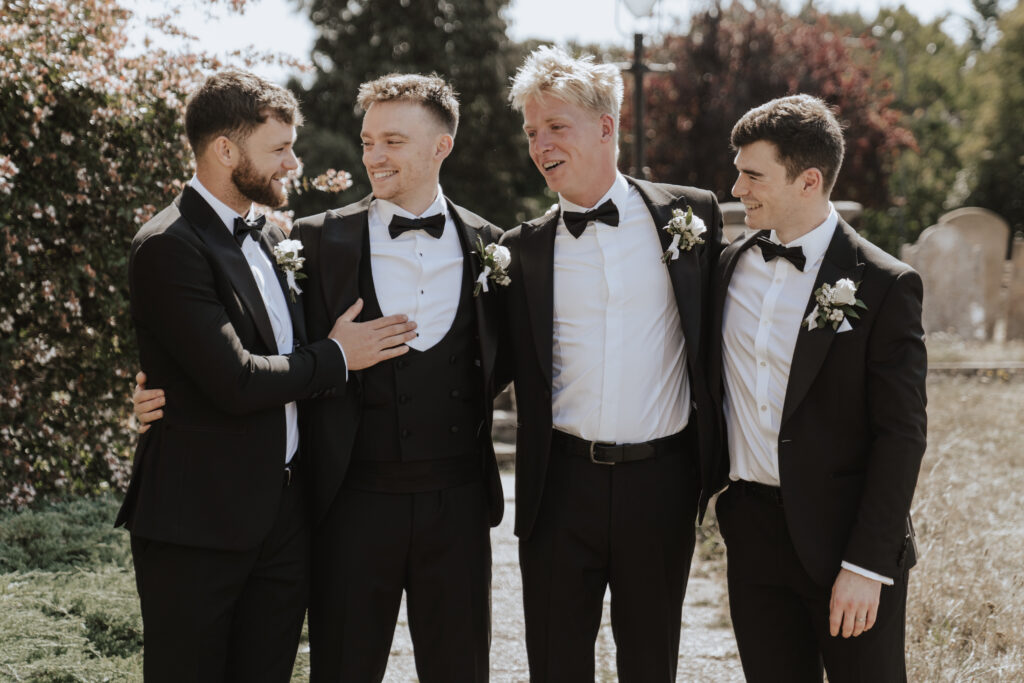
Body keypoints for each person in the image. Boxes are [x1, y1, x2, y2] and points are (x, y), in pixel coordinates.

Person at [135, 73, 507, 682]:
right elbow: (228, 358)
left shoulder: (491, 245)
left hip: (453, 505)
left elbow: (509, 358)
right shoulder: (309, 241)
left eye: (392, 140)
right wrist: (163, 387)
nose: (371, 156)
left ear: (442, 146)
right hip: (343, 507)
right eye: (367, 141)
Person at [499, 46, 725, 682]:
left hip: (661, 485)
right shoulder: (521, 252)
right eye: (532, 132)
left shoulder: (690, 218)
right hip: (559, 486)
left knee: (651, 664)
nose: (540, 145)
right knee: (555, 665)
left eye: (555, 127)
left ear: (606, 127)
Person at [707, 94, 927, 682]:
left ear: (808, 180)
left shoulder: (885, 285)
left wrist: (867, 564)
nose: (736, 189)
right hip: (753, 536)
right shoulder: (727, 267)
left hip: (846, 543)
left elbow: (901, 435)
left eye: (752, 175)